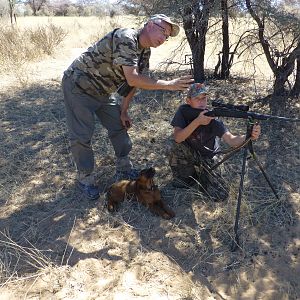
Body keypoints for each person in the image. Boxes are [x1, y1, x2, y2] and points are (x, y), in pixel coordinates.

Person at [62, 14, 194, 200]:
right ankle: (85, 179)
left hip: (103, 92)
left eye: (167, 36)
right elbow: (133, 77)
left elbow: (134, 83)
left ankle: (124, 167)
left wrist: (123, 111)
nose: (164, 38)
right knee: (82, 135)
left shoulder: (145, 52)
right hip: (79, 86)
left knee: (118, 125)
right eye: (163, 31)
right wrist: (169, 83)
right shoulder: (126, 37)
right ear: (149, 25)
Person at [167, 83, 261, 199]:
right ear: (188, 101)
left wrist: (249, 136)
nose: (202, 102)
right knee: (174, 145)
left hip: (209, 157)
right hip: (189, 151)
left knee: (219, 195)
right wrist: (198, 121)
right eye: (197, 98)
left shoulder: (213, 119)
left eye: (204, 98)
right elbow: (178, 137)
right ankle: (188, 177)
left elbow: (231, 140)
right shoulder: (183, 111)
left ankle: (204, 174)